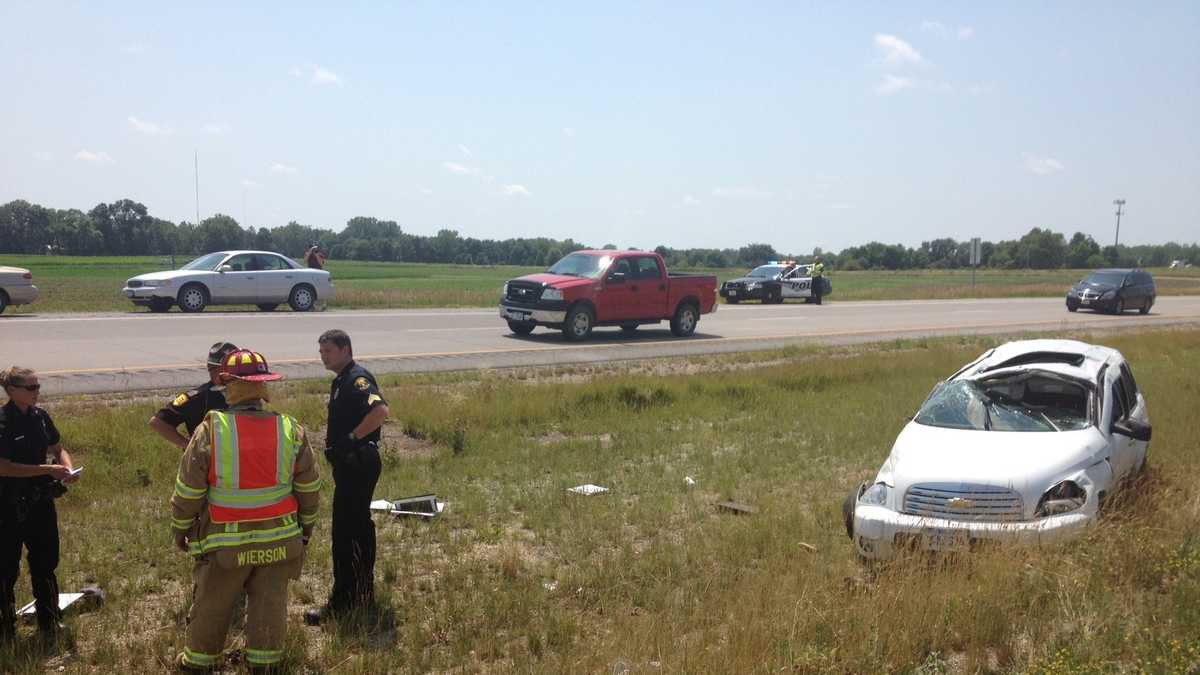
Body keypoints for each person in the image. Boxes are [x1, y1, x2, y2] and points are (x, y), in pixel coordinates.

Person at [171, 350, 320, 672]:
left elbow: (189, 490)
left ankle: (198, 663)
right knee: (270, 607)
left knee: (212, 604)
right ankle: (264, 664)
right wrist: (306, 527)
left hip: (225, 544)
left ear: (230, 385)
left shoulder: (211, 430)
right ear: (263, 386)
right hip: (279, 541)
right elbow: (309, 488)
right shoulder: (290, 429)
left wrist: (180, 529)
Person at [305, 330, 389, 626]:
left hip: (359, 462)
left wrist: (351, 439)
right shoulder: (341, 380)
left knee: (346, 532)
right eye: (321, 352)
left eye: (328, 351)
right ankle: (362, 592)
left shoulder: (357, 379)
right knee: (357, 528)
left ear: (345, 349)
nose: (323, 356)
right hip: (350, 464)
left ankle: (343, 601)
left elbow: (380, 411)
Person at [0, 366, 79, 646]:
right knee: (6, 570)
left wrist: (66, 468)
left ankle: (49, 620)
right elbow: (4, 467)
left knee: (46, 564)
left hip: (40, 504)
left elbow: (58, 447)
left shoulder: (41, 417)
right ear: (12, 391)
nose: (37, 392)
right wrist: (47, 469)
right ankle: (5, 630)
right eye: (31, 387)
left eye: (38, 386)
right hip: (8, 507)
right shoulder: (3, 422)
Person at [149, 342, 240, 449]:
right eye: (232, 368)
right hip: (209, 458)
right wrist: (191, 447)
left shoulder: (248, 393)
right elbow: (158, 422)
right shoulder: (197, 397)